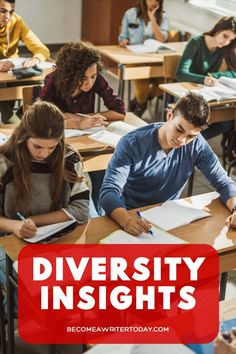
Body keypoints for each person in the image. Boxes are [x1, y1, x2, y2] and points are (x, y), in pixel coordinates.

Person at [99, 93, 236, 235]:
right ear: (169, 115)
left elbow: (224, 183)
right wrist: (126, 220)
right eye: (179, 129)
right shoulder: (132, 143)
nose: (182, 140)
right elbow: (109, 192)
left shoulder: (197, 144)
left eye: (190, 136)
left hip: (169, 219)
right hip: (129, 214)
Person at [0, 100, 90, 317]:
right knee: (31, 295)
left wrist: (34, 222)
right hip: (9, 239)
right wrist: (14, 225)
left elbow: (81, 209)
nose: (44, 154)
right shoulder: (4, 161)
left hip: (55, 238)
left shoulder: (69, 157)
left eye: (52, 146)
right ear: (24, 137)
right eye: (37, 146)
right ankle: (11, 319)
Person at [40, 40, 126, 130]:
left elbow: (120, 112)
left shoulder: (96, 76)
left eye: (93, 77)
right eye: (83, 78)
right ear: (70, 75)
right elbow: (41, 117)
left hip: (85, 134)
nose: (89, 83)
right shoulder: (53, 80)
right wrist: (77, 124)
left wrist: (83, 117)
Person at [176, 16, 236, 140]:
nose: (226, 42)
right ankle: (186, 139)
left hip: (205, 94)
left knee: (227, 122)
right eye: (225, 36)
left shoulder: (223, 49)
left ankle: (190, 141)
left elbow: (234, 72)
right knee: (196, 119)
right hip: (183, 92)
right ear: (218, 28)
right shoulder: (196, 42)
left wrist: (214, 76)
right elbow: (180, 74)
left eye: (230, 40)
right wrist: (203, 79)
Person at [0, 0, 50, 123]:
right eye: (2, 11)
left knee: (42, 84)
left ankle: (19, 122)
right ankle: (12, 122)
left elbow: (42, 49)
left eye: (11, 12)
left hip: (11, 72)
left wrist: (36, 59)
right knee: (3, 91)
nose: (7, 17)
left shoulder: (16, 21)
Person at [118, 0, 169, 117]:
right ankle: (140, 104)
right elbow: (122, 37)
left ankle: (138, 103)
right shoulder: (130, 14)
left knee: (165, 85)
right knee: (142, 90)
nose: (153, 2)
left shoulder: (164, 16)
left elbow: (161, 40)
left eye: (156, 0)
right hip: (135, 58)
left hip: (156, 60)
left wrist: (153, 19)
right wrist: (123, 41)